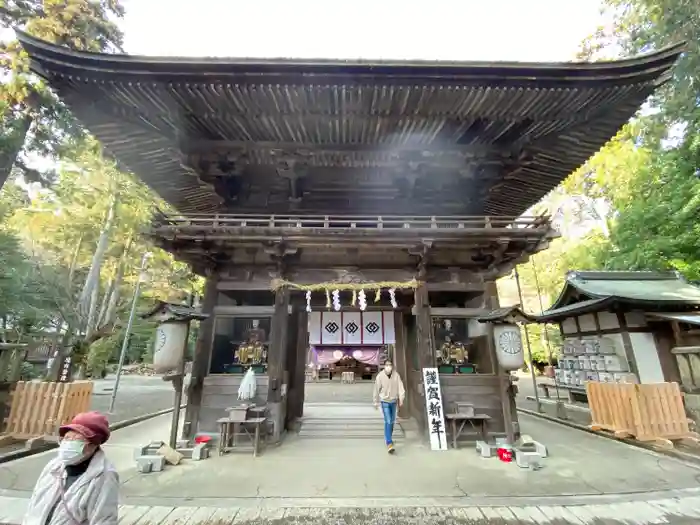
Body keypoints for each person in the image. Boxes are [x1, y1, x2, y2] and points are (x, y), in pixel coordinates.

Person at [23, 411, 119, 525]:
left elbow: (104, 520)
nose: (69, 443)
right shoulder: (53, 465)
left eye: (77, 440)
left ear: (93, 445)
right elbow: (33, 505)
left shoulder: (104, 476)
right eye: (67, 438)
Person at [373, 359, 405, 454]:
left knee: (392, 421)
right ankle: (389, 442)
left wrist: (401, 398)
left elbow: (400, 387)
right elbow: (376, 389)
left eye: (390, 365)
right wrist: (375, 401)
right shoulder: (380, 376)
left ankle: (388, 436)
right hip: (385, 401)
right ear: (384, 366)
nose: (388, 367)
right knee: (388, 420)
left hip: (394, 400)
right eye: (386, 365)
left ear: (392, 366)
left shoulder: (396, 375)